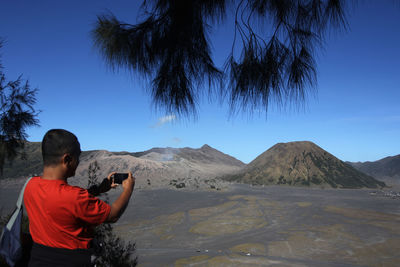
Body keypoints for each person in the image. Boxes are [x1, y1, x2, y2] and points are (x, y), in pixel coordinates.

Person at [23, 129, 135, 266]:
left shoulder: (30, 185)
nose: (79, 162)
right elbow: (112, 215)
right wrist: (128, 190)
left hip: (37, 260)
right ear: (67, 159)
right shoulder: (74, 197)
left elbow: (62, 201)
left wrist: (99, 189)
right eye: (78, 157)